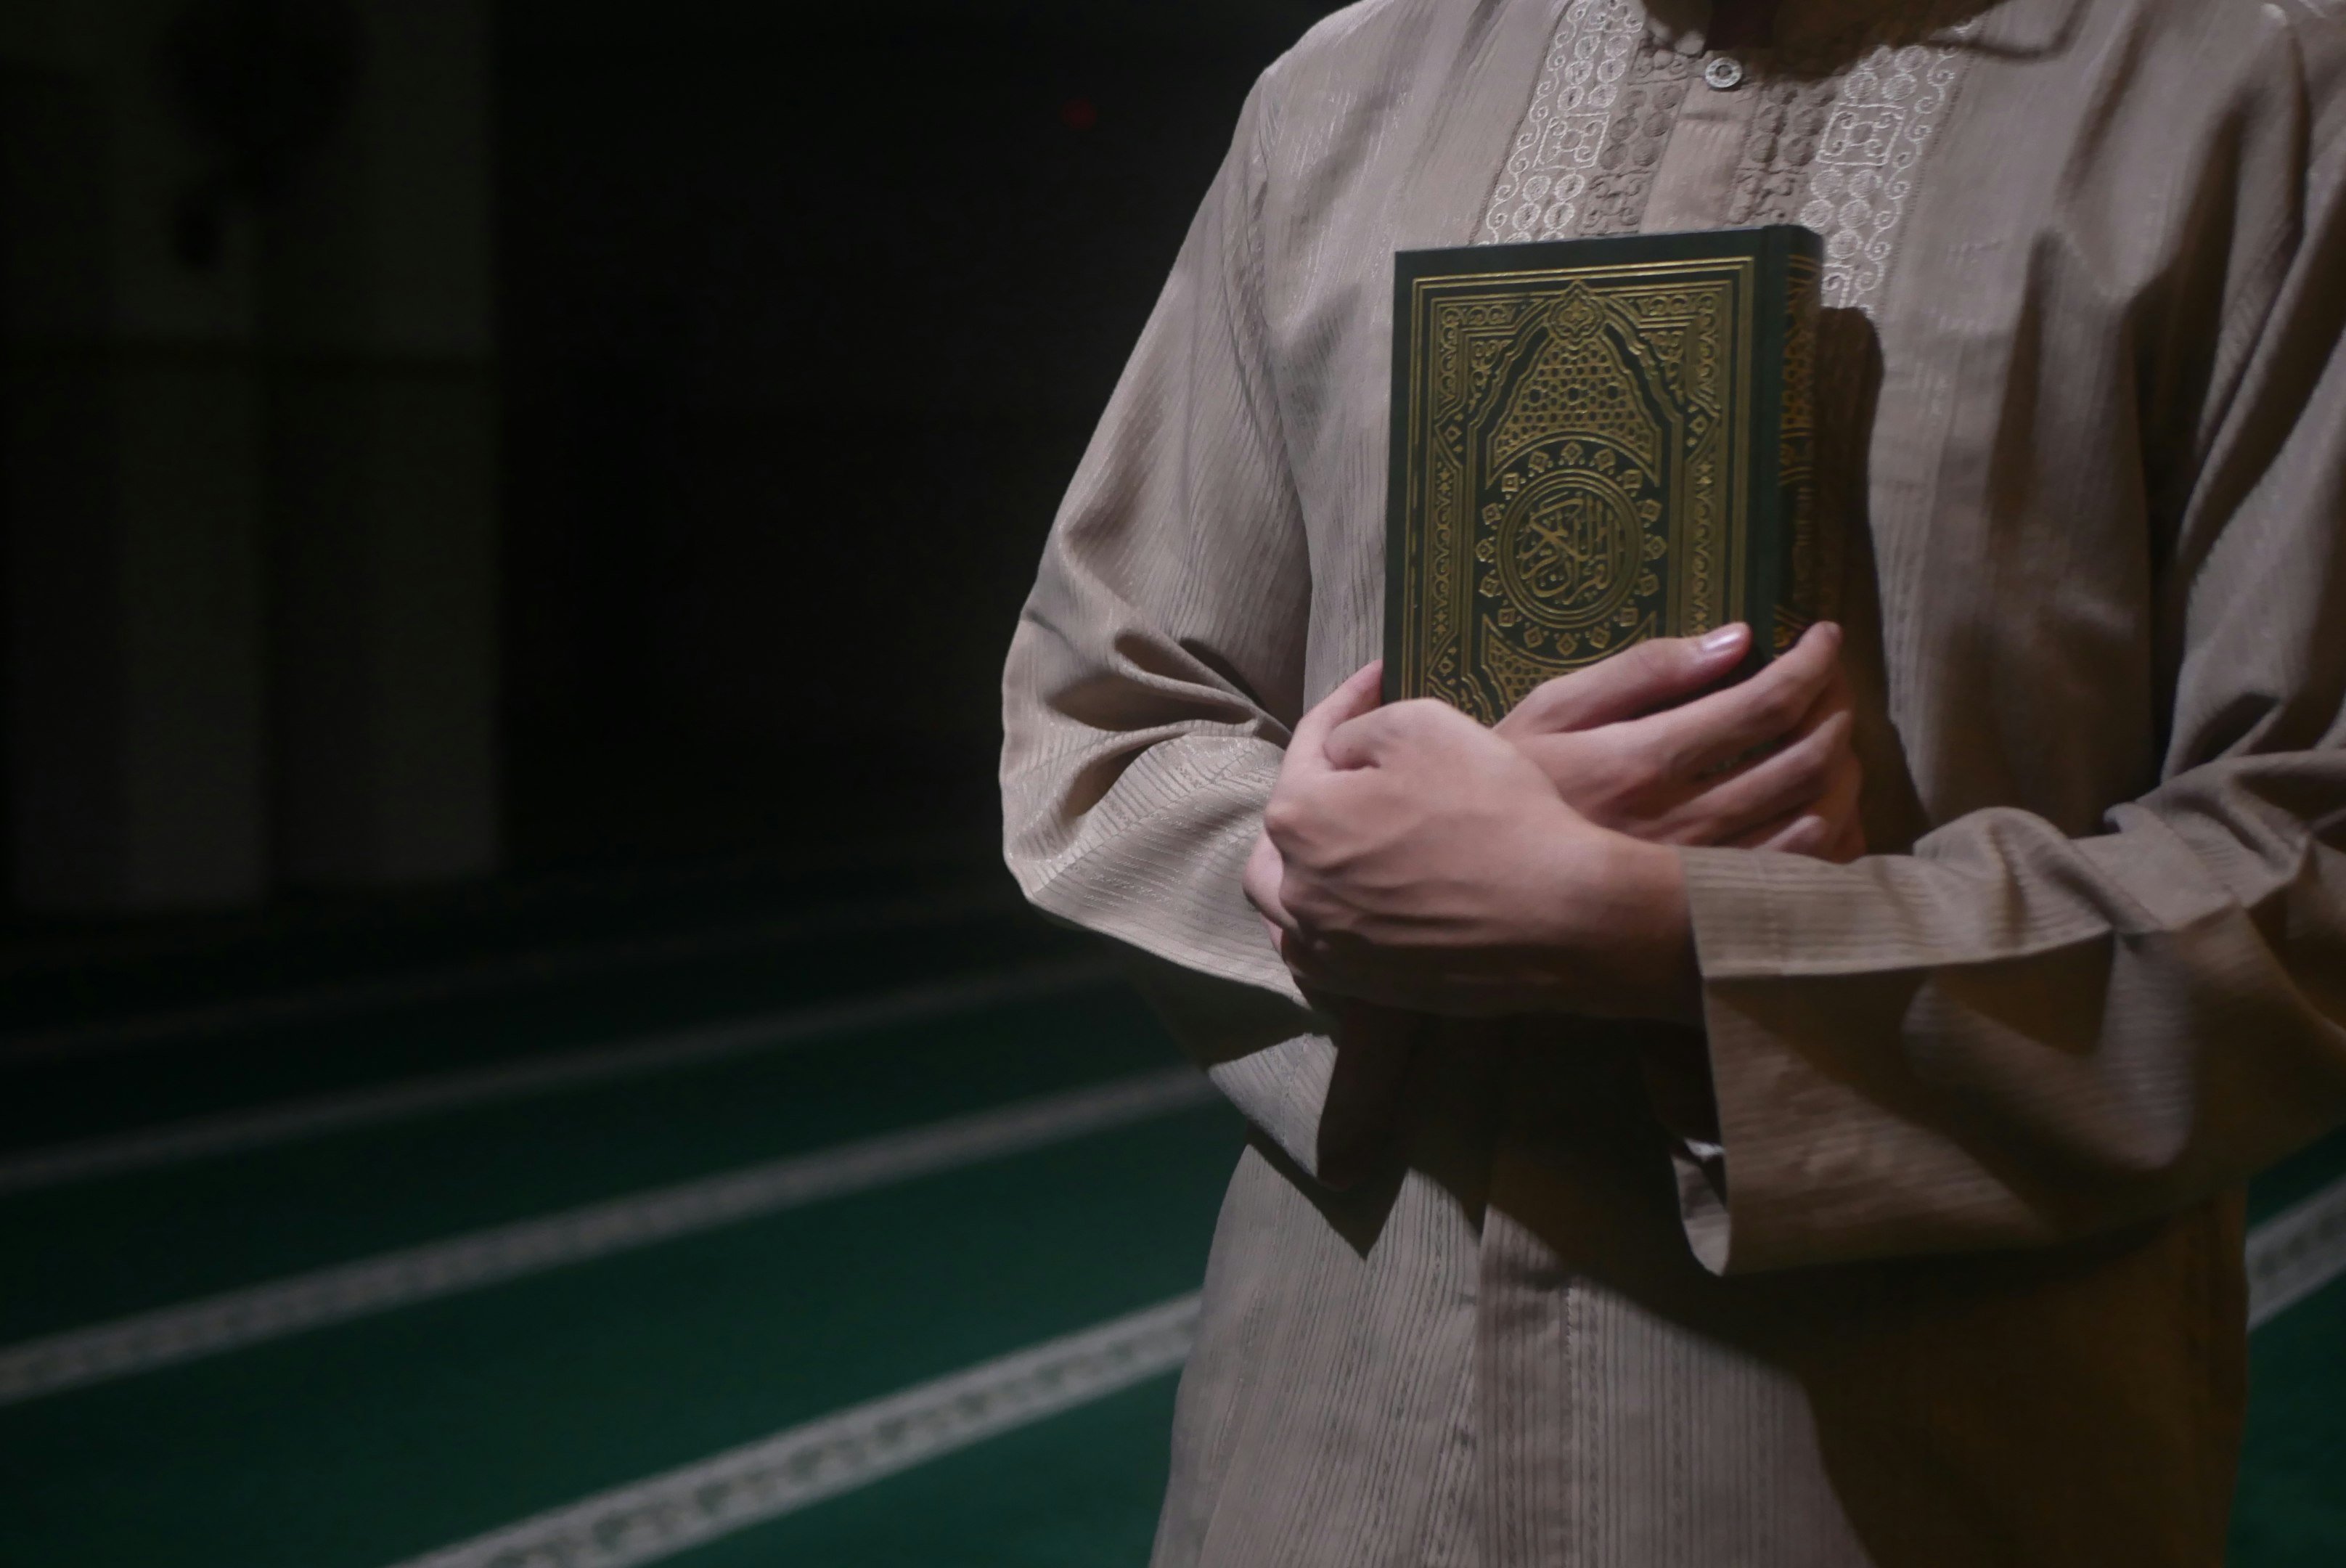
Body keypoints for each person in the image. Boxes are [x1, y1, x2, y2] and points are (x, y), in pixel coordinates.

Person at [999, 0, 2346, 1562]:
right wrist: (1312, 871)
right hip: (1326, 1440)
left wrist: (1678, 939)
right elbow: (1105, 710)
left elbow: (2302, 848)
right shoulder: (1346, 85)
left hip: (1912, 1463)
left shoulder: (2252, 86)